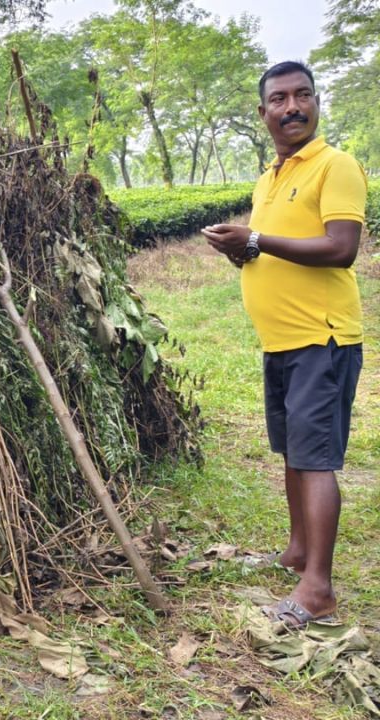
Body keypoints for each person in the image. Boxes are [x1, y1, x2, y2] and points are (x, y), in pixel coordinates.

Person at [202, 61, 366, 630]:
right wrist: (242, 248)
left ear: (317, 102)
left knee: (315, 459)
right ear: (263, 111)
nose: (291, 107)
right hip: (283, 341)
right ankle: (296, 553)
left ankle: (317, 588)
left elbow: (340, 247)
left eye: (302, 96)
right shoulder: (271, 176)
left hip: (322, 337)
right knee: (295, 453)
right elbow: (273, 248)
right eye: (279, 98)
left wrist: (257, 238)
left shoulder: (335, 165)